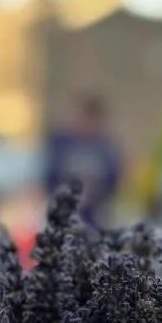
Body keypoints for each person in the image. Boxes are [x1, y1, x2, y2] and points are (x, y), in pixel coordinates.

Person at [43, 95, 122, 225]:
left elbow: (113, 180)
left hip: (94, 217)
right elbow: (49, 176)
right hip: (61, 214)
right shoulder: (60, 142)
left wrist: (95, 194)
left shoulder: (105, 146)